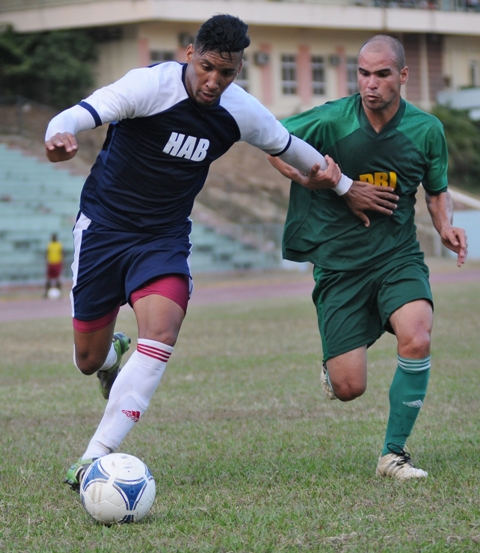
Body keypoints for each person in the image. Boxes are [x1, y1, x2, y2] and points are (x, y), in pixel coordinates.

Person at [45, 15, 396, 492]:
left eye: (226, 73)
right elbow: (75, 115)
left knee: (163, 331)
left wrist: (345, 186)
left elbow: (292, 148)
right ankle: (111, 357)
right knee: (87, 359)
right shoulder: (148, 87)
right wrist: (59, 135)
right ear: (190, 53)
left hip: (163, 239)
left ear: (238, 70)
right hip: (104, 230)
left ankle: (94, 458)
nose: (214, 82)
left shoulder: (239, 110)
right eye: (207, 67)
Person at [269, 34, 467, 480]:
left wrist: (445, 225)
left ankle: (393, 455)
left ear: (403, 75)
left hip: (398, 256)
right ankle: (338, 357)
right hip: (340, 265)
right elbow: (274, 143)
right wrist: (312, 181)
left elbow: (436, 191)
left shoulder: (426, 130)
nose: (370, 84)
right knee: (349, 387)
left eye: (380, 74)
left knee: (417, 336)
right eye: (362, 74)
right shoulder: (330, 121)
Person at [44, 233, 63, 298]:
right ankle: (46, 292)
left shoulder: (59, 245)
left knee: (58, 279)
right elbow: (46, 254)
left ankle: (60, 292)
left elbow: (62, 253)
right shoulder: (49, 245)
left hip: (57, 263)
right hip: (51, 263)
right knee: (48, 278)